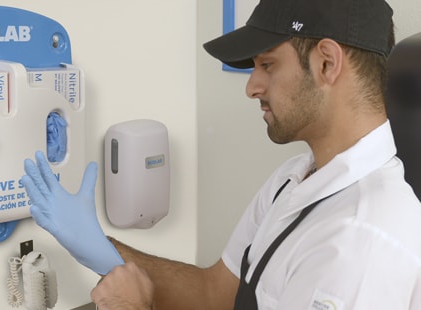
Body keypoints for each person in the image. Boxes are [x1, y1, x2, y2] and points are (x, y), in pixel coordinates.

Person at [21, 0, 421, 308]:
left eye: (267, 64)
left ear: (327, 63)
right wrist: (96, 246)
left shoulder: (362, 240)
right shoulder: (295, 179)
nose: (252, 87)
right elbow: (215, 294)